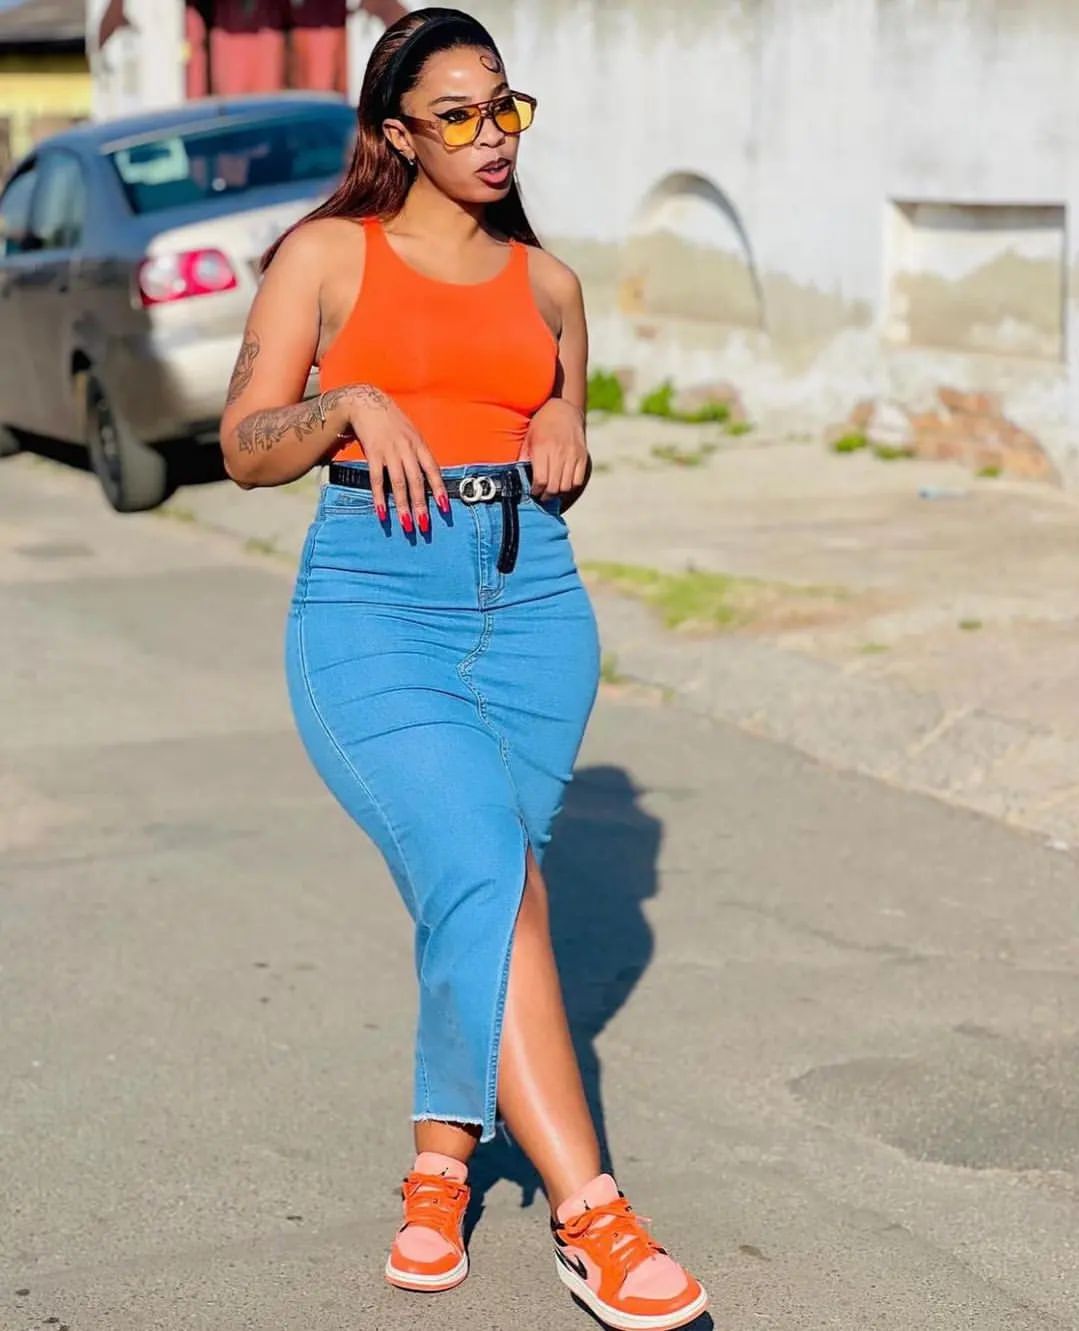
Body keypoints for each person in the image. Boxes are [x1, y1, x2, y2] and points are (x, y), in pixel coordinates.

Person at [219, 9, 707, 1329]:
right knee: (489, 875)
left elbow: (566, 434)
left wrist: (564, 424)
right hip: (374, 606)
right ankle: (595, 1221)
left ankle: (440, 1171)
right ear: (396, 134)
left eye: (506, 107)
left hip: (534, 607)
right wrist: (348, 403)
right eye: (458, 115)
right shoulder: (329, 255)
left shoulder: (551, 285)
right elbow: (245, 446)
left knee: (491, 896)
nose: (493, 135)